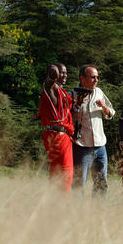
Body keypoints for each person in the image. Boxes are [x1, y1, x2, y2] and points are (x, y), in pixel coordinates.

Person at [71, 65, 115, 197]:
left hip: (100, 146)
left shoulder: (99, 92)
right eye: (92, 77)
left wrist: (104, 107)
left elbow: (111, 113)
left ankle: (97, 213)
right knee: (79, 183)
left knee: (101, 182)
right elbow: (68, 118)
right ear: (82, 78)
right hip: (82, 146)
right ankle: (76, 214)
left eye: (97, 77)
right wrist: (78, 105)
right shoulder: (72, 94)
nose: (96, 80)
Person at [39, 64, 74, 193]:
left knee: (62, 172)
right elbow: (48, 84)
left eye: (65, 73)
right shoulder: (51, 89)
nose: (64, 75)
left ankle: (55, 202)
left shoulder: (63, 93)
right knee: (63, 172)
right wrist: (52, 75)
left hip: (63, 136)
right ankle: (60, 202)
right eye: (61, 73)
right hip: (56, 136)